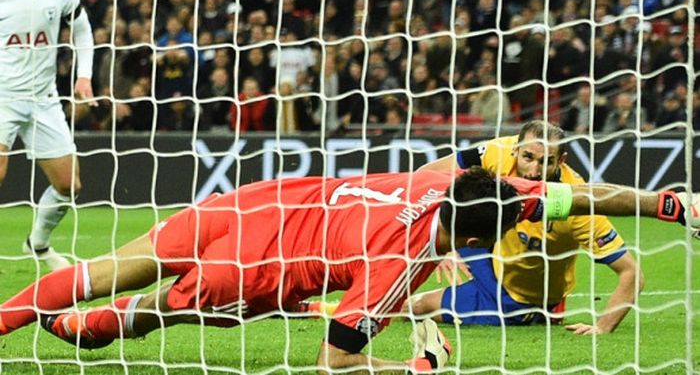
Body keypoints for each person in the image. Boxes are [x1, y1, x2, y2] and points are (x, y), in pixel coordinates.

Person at [1, 168, 698, 372]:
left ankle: (15, 315)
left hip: (252, 203)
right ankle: (90, 330)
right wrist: (416, 369)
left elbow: (596, 194)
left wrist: (674, 205)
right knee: (162, 310)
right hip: (256, 270)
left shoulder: (443, 178)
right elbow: (333, 362)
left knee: (113, 266)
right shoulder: (404, 261)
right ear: (498, 228)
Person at [406, 121, 695, 335]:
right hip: (491, 250)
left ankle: (538, 313)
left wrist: (603, 327)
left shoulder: (579, 204)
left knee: (410, 308)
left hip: (513, 297)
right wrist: (445, 245)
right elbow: (424, 177)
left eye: (546, 162)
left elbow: (632, 273)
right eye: (528, 157)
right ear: (516, 150)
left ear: (562, 161)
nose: (533, 171)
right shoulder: (497, 151)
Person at [0, 0, 95, 270]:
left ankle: (38, 244)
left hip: (44, 99)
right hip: (3, 98)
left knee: (70, 185)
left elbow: (83, 34)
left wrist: (83, 78)